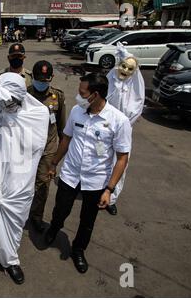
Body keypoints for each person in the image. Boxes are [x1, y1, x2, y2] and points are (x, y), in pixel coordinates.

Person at [44, 73, 132, 274]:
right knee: (60, 209)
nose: (78, 96)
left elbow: (122, 158)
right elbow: (66, 139)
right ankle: (53, 229)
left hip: (96, 180)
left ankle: (78, 250)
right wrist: (54, 163)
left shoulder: (119, 121)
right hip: (70, 174)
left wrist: (109, 189)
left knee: (87, 221)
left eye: (82, 93)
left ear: (96, 95)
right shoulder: (77, 111)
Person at [0, 73, 49, 285]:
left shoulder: (38, 114)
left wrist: (10, 123)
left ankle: (10, 261)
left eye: (11, 102)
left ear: (21, 97)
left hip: (20, 178)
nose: (7, 106)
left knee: (14, 223)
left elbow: (36, 148)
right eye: (3, 102)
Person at [105, 42, 145, 216]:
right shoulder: (111, 79)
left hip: (123, 131)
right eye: (123, 66)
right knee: (99, 159)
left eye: (130, 69)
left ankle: (111, 198)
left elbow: (137, 108)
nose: (126, 71)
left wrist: (123, 125)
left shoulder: (135, 86)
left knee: (120, 164)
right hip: (104, 128)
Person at [28, 61, 66, 233]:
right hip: (26, 149)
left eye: (46, 79)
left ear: (52, 78)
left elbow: (61, 129)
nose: (42, 82)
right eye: (38, 79)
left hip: (47, 150)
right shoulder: (24, 94)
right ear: (32, 78)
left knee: (42, 185)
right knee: (23, 183)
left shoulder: (58, 96)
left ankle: (36, 217)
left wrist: (56, 160)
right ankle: (20, 213)